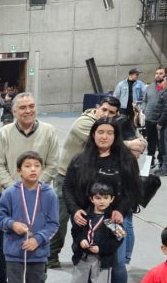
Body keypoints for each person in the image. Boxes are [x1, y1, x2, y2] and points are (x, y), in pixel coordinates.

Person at [62, 118, 141, 283]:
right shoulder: (79, 159)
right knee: (92, 262)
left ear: (116, 136)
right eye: (100, 132)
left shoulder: (126, 159)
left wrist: (121, 210)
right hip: (88, 220)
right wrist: (74, 211)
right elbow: (67, 187)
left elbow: (134, 190)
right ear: (93, 134)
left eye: (109, 132)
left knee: (118, 262)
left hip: (114, 220)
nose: (104, 136)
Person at [48, 97, 126, 267]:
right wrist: (131, 143)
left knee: (86, 222)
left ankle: (82, 254)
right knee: (60, 220)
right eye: (104, 110)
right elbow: (109, 142)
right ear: (97, 107)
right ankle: (51, 256)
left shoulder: (113, 127)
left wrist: (137, 141)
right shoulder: (84, 123)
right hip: (66, 176)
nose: (106, 114)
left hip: (92, 183)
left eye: (111, 113)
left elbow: (139, 142)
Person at [0, 151, 59, 283]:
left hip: (38, 253)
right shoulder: (10, 193)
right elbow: (0, 218)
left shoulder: (49, 194)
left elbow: (53, 224)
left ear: (42, 169)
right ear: (19, 171)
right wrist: (12, 224)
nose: (33, 169)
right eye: (28, 166)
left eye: (37, 166)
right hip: (15, 251)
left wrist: (38, 239)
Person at [62, 183, 125, 283]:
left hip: (103, 259)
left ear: (112, 199)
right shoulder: (85, 216)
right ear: (91, 199)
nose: (101, 201)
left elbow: (118, 240)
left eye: (105, 198)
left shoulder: (112, 220)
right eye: (98, 198)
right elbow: (76, 232)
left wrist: (101, 248)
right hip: (84, 257)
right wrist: (81, 240)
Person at [141, 66, 165, 166]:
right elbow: (144, 100)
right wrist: (144, 109)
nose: (158, 75)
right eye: (157, 73)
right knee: (150, 142)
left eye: (160, 73)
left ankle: (161, 161)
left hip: (162, 119)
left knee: (161, 143)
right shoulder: (149, 87)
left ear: (165, 75)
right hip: (149, 118)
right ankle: (149, 162)